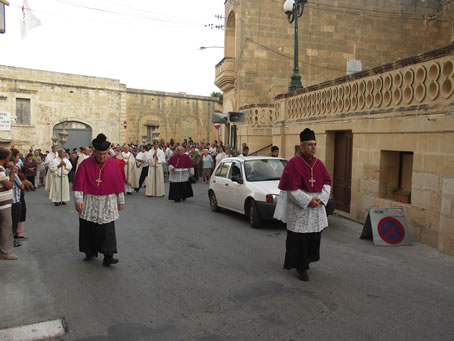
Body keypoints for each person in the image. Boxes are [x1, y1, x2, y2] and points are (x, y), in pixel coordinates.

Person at [273, 128, 332, 282]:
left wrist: (321, 198)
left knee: (313, 237)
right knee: (300, 239)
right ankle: (300, 266)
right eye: (310, 144)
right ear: (302, 146)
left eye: (315, 144)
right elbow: (291, 189)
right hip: (300, 209)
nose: (313, 147)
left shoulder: (319, 164)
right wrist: (308, 200)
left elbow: (327, 182)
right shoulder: (293, 163)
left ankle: (307, 261)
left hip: (316, 207)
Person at [72, 134, 125, 266]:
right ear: (94, 152)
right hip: (90, 200)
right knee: (88, 227)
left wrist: (121, 200)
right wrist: (78, 200)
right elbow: (79, 184)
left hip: (108, 200)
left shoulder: (113, 164)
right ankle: (89, 252)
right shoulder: (85, 164)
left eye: (105, 154)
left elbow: (118, 183)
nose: (102, 157)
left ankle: (108, 256)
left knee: (108, 229)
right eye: (99, 154)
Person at [0, 148, 18, 260]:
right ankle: (6, 252)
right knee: (6, 227)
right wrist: (12, 170)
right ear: (6, 157)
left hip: (4, 202)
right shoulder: (0, 170)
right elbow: (9, 185)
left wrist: (11, 169)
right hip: (3, 203)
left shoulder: (2, 169)